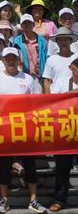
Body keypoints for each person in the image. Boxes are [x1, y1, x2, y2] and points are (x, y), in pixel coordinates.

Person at [0, 47, 45, 214]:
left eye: (13, 58)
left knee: (30, 165)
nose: (10, 61)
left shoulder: (28, 79)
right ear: (3, 60)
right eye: (7, 58)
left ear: (18, 60)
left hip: (26, 129)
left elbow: (37, 103)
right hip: (5, 130)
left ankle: (33, 200)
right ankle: (4, 200)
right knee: (4, 166)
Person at [48, 57, 78, 211]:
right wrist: (72, 93)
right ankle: (59, 199)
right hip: (66, 131)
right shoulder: (61, 82)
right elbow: (52, 101)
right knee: (62, 169)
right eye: (77, 68)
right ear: (71, 67)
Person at [42, 27, 78, 94]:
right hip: (57, 97)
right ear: (57, 42)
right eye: (60, 40)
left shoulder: (76, 58)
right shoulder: (51, 60)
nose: (63, 42)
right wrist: (49, 99)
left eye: (66, 39)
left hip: (74, 96)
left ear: (71, 41)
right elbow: (47, 80)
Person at [13, 14, 48, 79]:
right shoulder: (16, 41)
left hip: (40, 77)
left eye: (29, 23)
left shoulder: (42, 41)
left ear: (33, 24)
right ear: (21, 26)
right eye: (24, 23)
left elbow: (46, 58)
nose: (27, 25)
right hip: (24, 77)